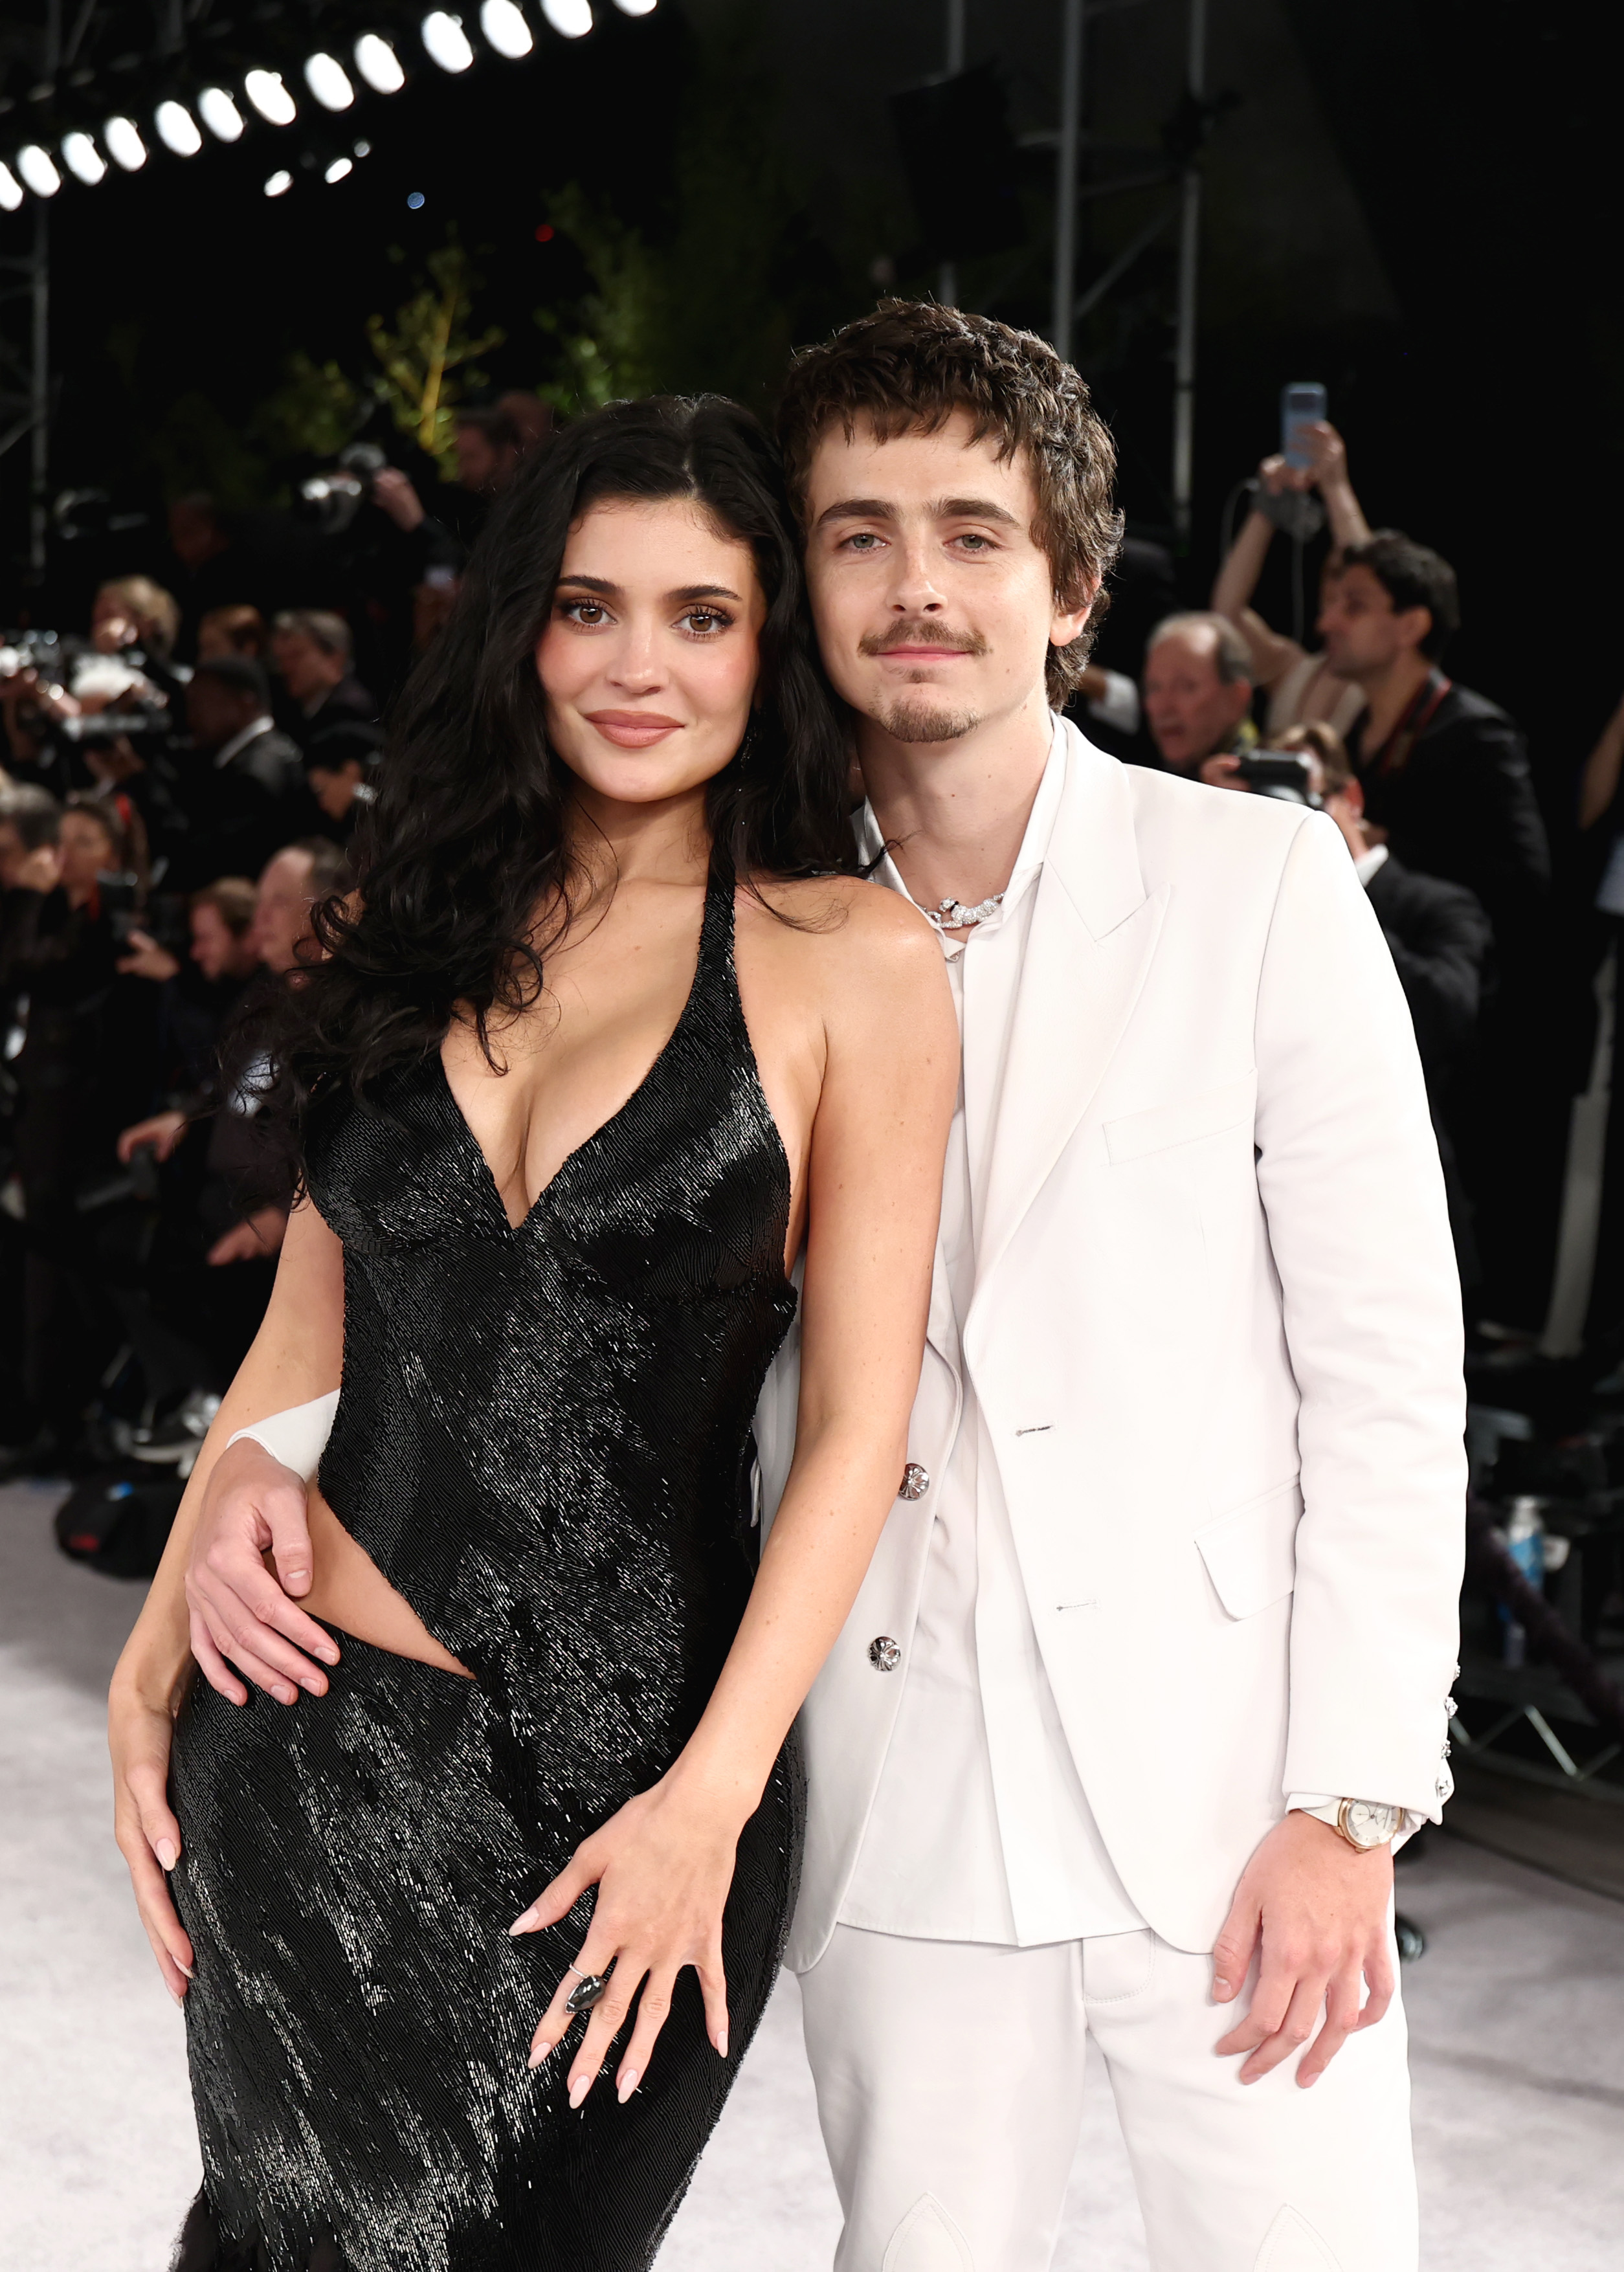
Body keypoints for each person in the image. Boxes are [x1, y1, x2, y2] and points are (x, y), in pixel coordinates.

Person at [166, 306, 1466, 2272]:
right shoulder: (731, 897)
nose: (915, 584)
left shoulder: (1250, 888)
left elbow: (1387, 1380)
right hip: (876, 1794)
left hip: (1215, 1800)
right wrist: (243, 1489)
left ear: (1070, 588)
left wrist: (1347, 1803)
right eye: (857, 532)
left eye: (969, 531)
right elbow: (461, 1293)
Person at [106, 395, 956, 2271]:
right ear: (523, 628)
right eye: (591, 606)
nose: (638, 664)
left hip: (622, 1812)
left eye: (701, 614)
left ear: (771, 646)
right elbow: (294, 1345)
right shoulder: (412, 930)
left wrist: (709, 1804)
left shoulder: (849, 963)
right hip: (298, 1758)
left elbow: (856, 1430)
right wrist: (153, 1644)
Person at [1317, 531, 1549, 951]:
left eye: (1353, 606)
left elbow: (1525, 882)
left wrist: (1383, 846)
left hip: (1460, 985)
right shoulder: (1354, 731)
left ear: (1411, 626)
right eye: (1332, 604)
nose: (1327, 622)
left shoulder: (1476, 734)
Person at [1210, 421, 1370, 741]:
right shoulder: (1294, 670)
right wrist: (1268, 507)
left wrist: (1335, 485)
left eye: (1349, 582)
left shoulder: (1383, 674)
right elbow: (1226, 615)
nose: (1340, 589)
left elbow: (1373, 580)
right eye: (1333, 575)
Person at [169, 657, 320, 891]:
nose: (190, 717)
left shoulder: (255, 777)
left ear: (244, 704)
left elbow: (206, 860)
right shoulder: (270, 754)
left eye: (200, 703)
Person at [1140, 608, 1258, 777]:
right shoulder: (1138, 780)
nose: (1164, 707)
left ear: (1237, 698)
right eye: (1154, 688)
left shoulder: (1263, 794)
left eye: (1187, 687)